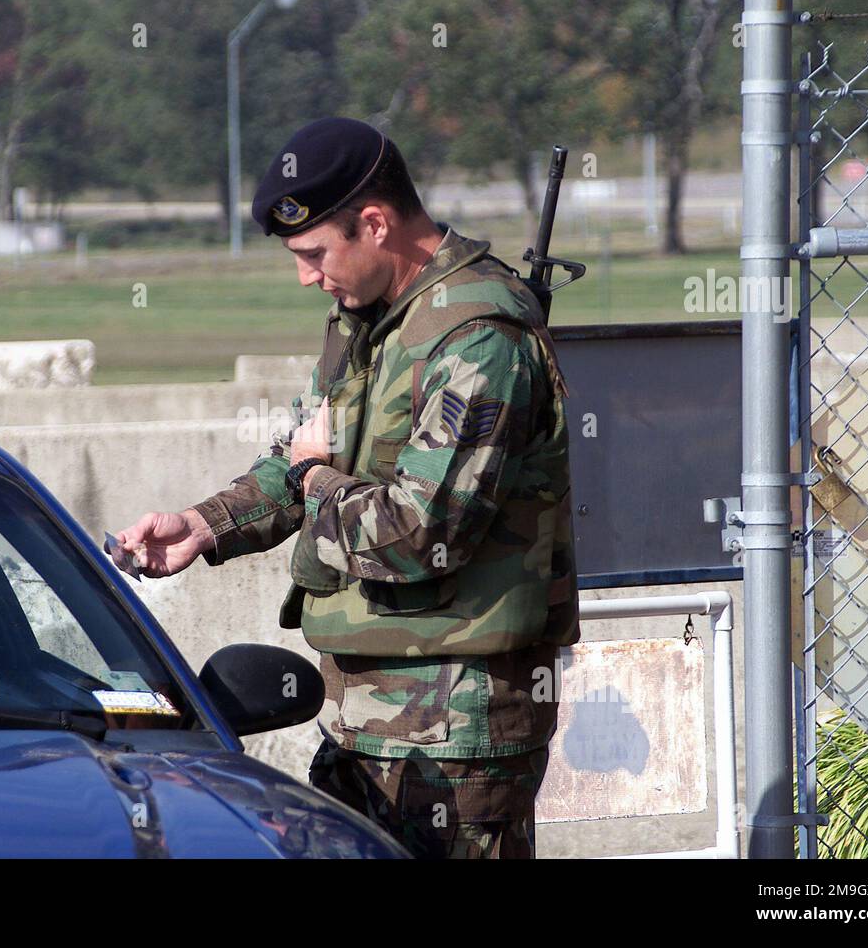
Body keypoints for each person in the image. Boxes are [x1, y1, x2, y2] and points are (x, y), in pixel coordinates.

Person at [113, 116, 580, 859]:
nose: (306, 275)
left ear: (374, 223)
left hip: (455, 734)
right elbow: (304, 453)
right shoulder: (370, 321)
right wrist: (205, 526)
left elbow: (419, 534)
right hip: (363, 716)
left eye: (315, 253)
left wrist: (311, 474)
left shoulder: (479, 339)